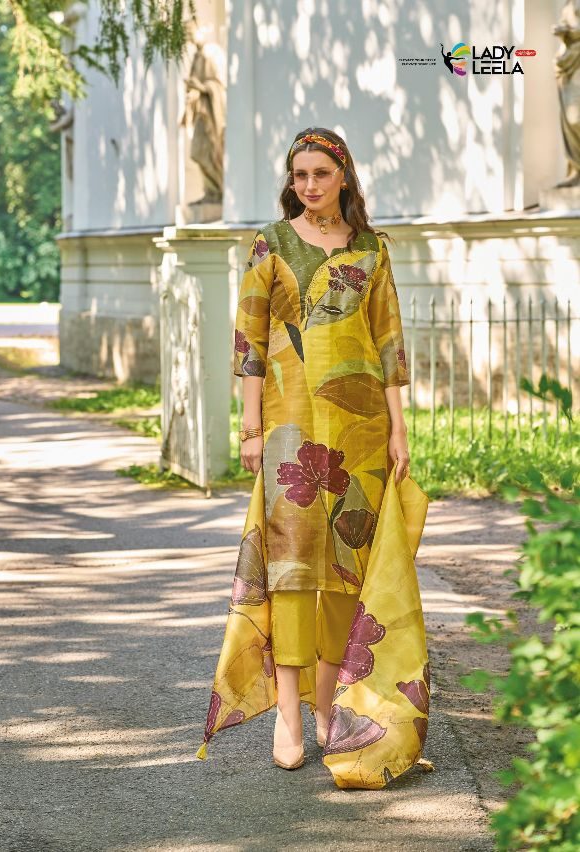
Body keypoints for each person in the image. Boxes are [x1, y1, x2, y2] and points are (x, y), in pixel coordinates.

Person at [232, 127, 411, 770]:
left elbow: (389, 344)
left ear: (344, 177)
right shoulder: (271, 244)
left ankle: (328, 704)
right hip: (290, 428)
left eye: (321, 173)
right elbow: (250, 343)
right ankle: (288, 711)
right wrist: (251, 428)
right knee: (290, 569)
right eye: (299, 174)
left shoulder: (372, 249)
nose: (309, 185)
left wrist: (398, 429)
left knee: (345, 568)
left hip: (360, 428)